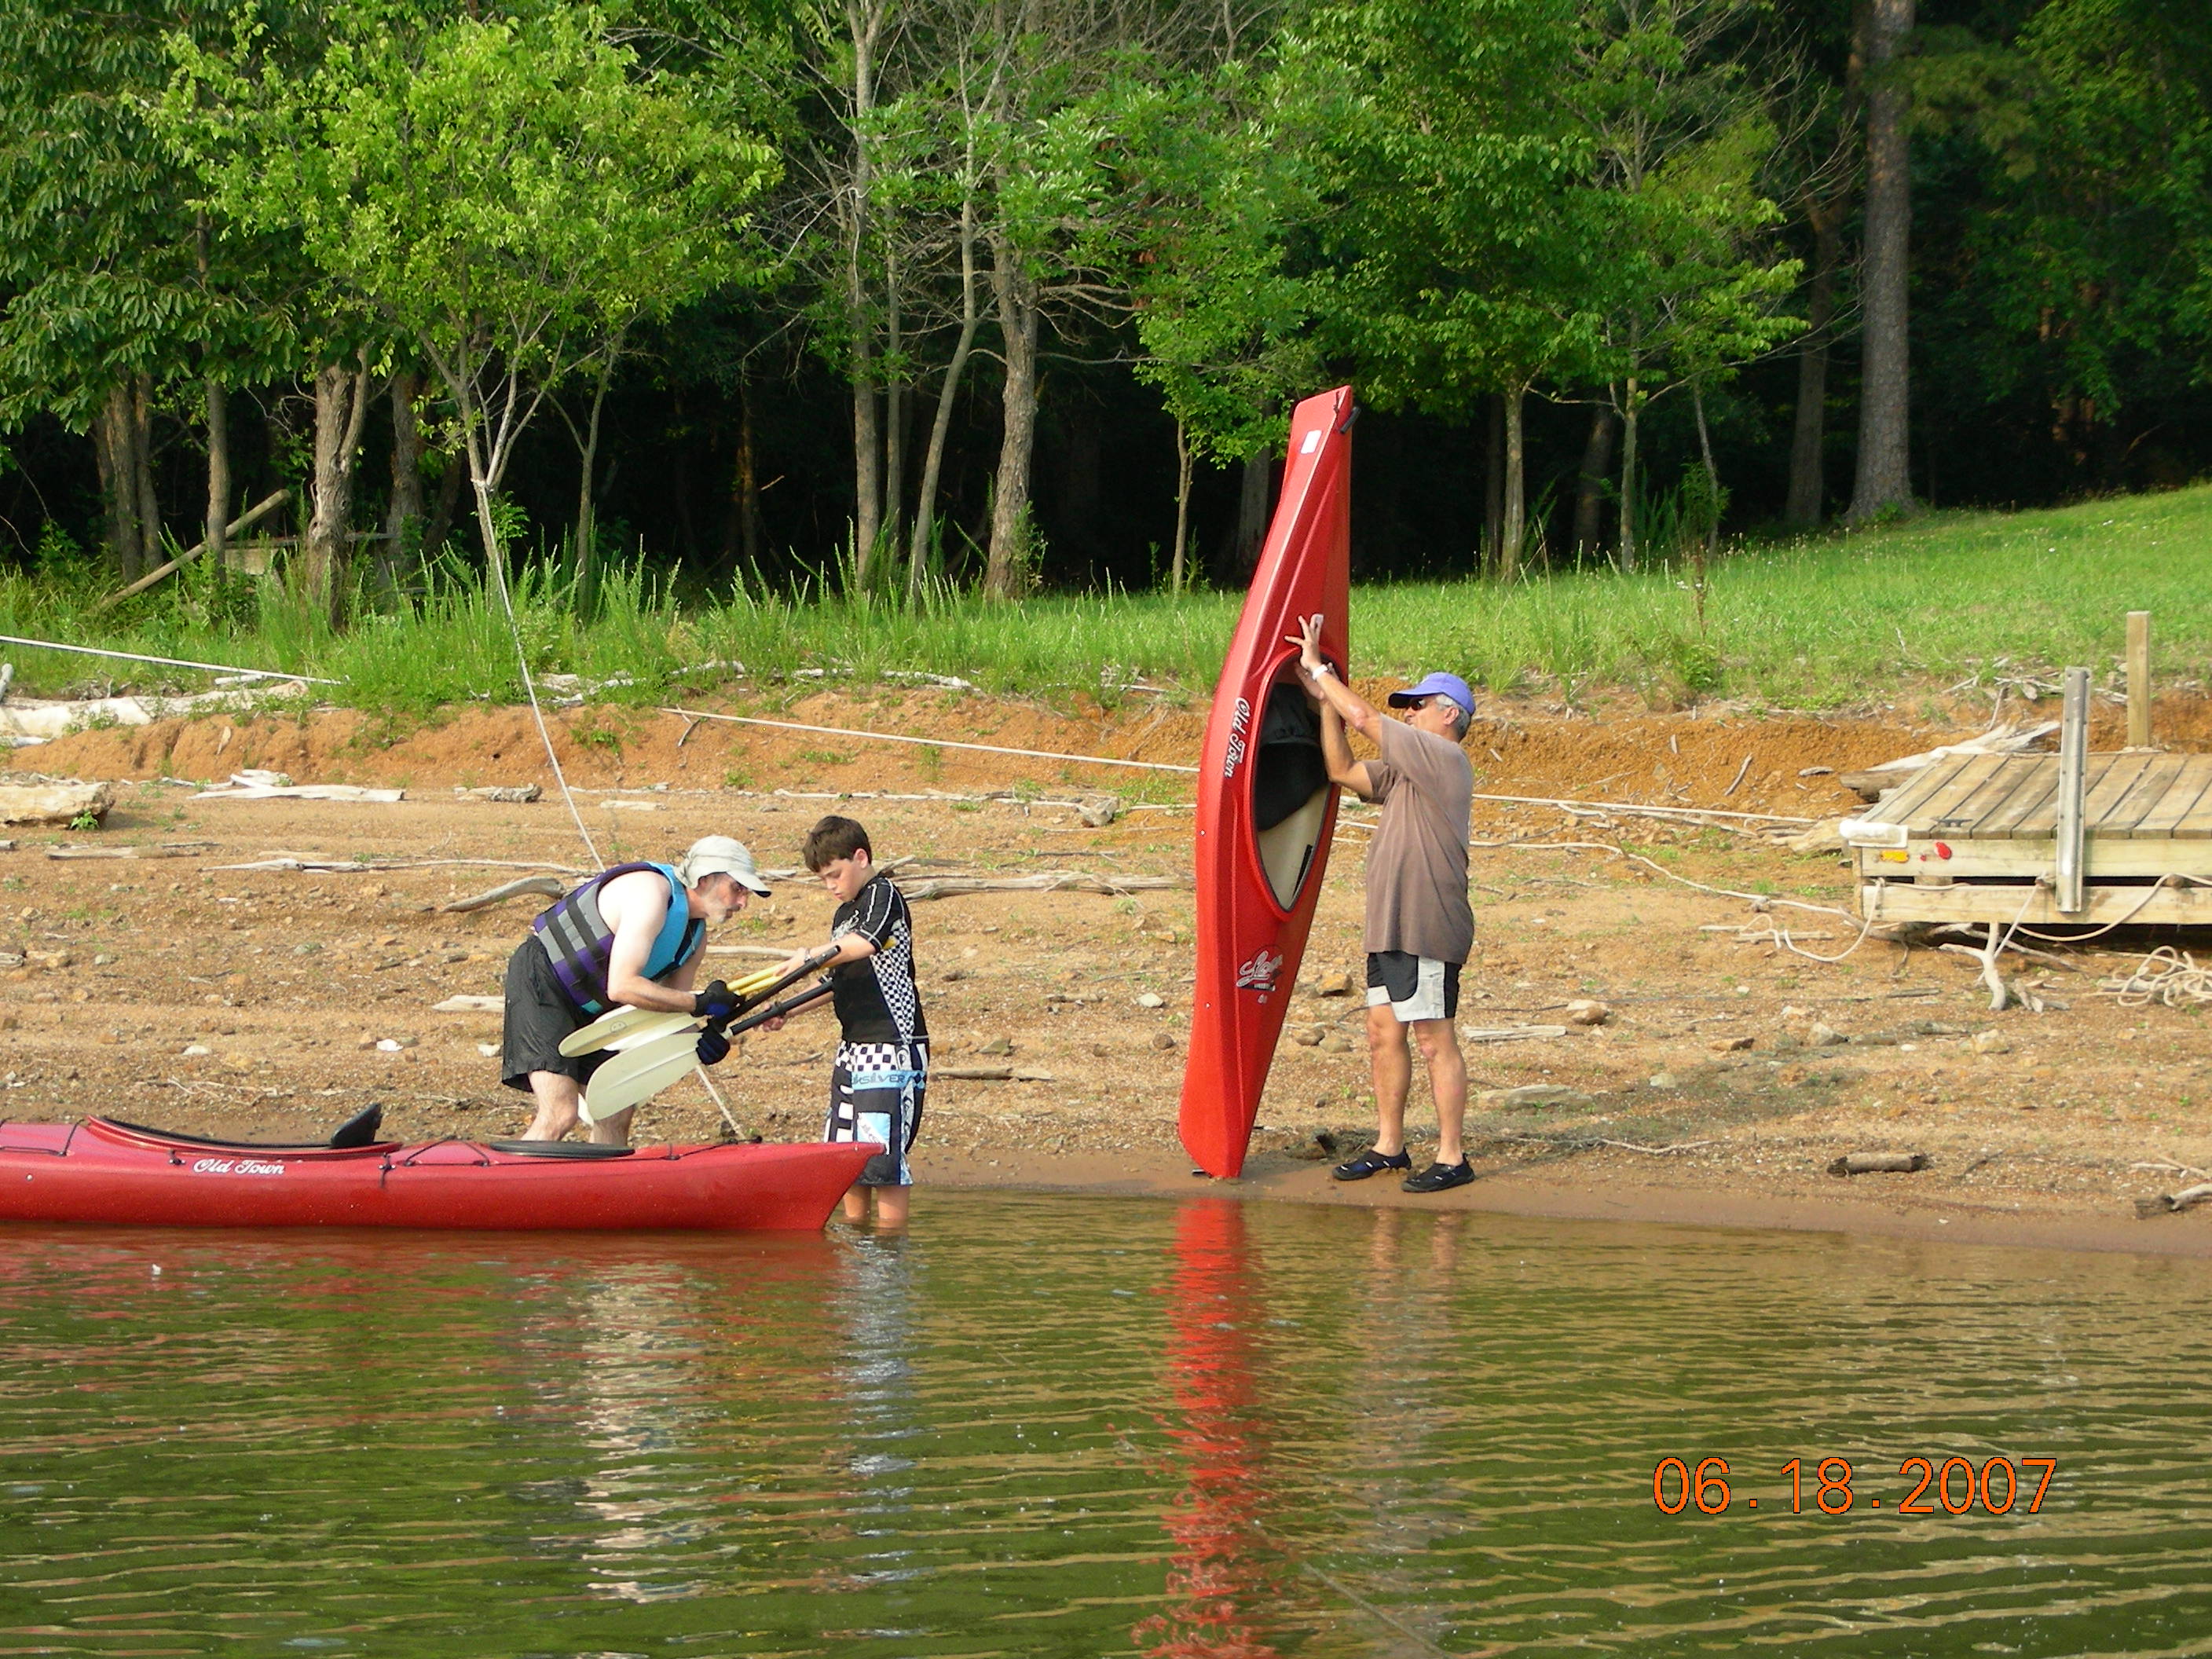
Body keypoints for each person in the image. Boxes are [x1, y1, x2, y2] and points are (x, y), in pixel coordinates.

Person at [1291, 614, 1478, 1193]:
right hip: (1388, 923)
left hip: (1427, 922)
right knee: (1382, 1033)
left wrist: (1322, 669)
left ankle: (1453, 1156)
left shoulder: (1443, 759)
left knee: (1431, 1037)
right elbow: (1340, 768)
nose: (1410, 712)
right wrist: (1324, 702)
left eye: (1420, 704)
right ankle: (1389, 1147)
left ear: (1449, 714)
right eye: (1409, 706)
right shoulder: (1405, 772)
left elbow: (1366, 717)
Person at [503, 835, 771, 1145]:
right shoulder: (651, 894)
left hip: (593, 1008)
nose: (743, 902)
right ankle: (498, 1190)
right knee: (561, 1114)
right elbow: (623, 986)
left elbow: (669, 1015)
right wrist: (700, 1003)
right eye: (737, 889)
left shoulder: (695, 939)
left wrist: (702, 1040)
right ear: (704, 878)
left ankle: (604, 1192)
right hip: (544, 980)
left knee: (616, 1108)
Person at [779, 815, 927, 1228]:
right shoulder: (844, 915)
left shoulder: (883, 894)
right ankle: (856, 1240)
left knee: (882, 1157)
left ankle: (887, 1249)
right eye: (823, 878)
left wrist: (809, 954)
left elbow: (866, 944)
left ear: (860, 857)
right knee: (846, 1155)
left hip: (891, 1044)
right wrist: (786, 1010)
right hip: (853, 1046)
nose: (830, 885)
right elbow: (837, 982)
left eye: (835, 874)